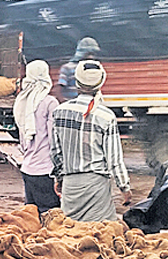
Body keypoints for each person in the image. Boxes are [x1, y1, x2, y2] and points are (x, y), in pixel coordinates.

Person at [50, 60, 131, 222]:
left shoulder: (59, 112)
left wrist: (59, 179)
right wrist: (124, 188)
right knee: (100, 231)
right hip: (96, 187)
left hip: (71, 185)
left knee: (69, 230)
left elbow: (56, 153)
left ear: (77, 83)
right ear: (100, 84)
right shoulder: (106, 116)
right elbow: (114, 161)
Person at [14, 60, 60, 210]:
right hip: (45, 170)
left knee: (31, 214)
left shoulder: (22, 102)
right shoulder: (50, 103)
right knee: (50, 215)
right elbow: (54, 140)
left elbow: (22, 138)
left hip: (27, 168)